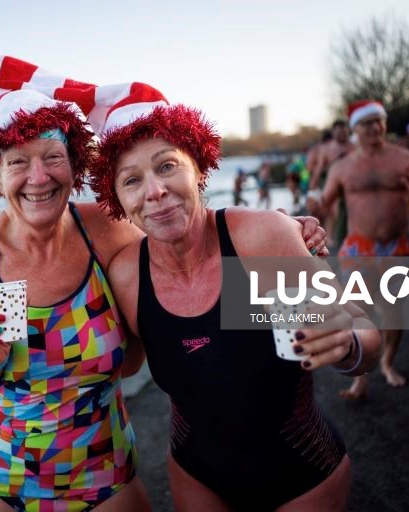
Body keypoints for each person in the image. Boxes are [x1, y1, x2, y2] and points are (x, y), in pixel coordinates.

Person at [0, 42, 329, 511]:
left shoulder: (106, 232)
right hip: (6, 482)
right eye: (18, 163)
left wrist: (279, 232)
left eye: (52, 157)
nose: (38, 177)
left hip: (106, 476)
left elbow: (181, 227)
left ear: (74, 166)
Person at [86, 87, 381, 512]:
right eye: (132, 180)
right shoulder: (127, 275)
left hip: (302, 472)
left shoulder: (258, 239)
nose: (154, 191)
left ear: (199, 171)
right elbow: (122, 361)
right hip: (196, 476)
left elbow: (365, 335)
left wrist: (347, 345)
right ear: (119, 200)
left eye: (167, 166)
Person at [320, 100, 409, 400]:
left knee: (392, 311)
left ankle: (387, 363)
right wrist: (312, 215)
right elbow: (324, 202)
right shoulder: (342, 167)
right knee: (360, 313)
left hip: (397, 247)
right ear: (354, 129)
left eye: (379, 121)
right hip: (359, 247)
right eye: (367, 123)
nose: (374, 127)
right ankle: (361, 379)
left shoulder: (405, 159)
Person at [308, 120, 355, 250]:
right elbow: (317, 169)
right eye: (338, 130)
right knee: (332, 211)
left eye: (344, 130)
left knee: (350, 213)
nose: (342, 133)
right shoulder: (327, 149)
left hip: (352, 186)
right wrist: (312, 188)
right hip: (332, 184)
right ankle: (333, 238)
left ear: (348, 131)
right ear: (334, 132)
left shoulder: (355, 146)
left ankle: (347, 237)